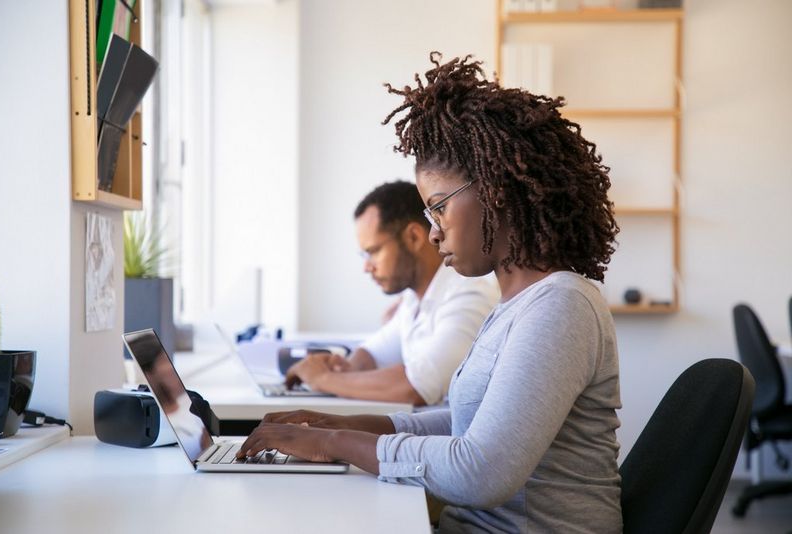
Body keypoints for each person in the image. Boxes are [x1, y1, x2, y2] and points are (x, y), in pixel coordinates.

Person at [238, 53, 622, 532]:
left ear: (497, 190)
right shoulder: (517, 306)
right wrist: (332, 425)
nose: (433, 233)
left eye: (437, 208)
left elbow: (479, 471)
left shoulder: (562, 306)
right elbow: (465, 429)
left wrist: (333, 445)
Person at [285, 180, 499, 406]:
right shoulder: (413, 300)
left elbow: (415, 387)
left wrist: (324, 379)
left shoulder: (470, 294)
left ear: (414, 237)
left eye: (373, 252)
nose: (367, 267)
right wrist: (343, 368)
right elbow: (371, 355)